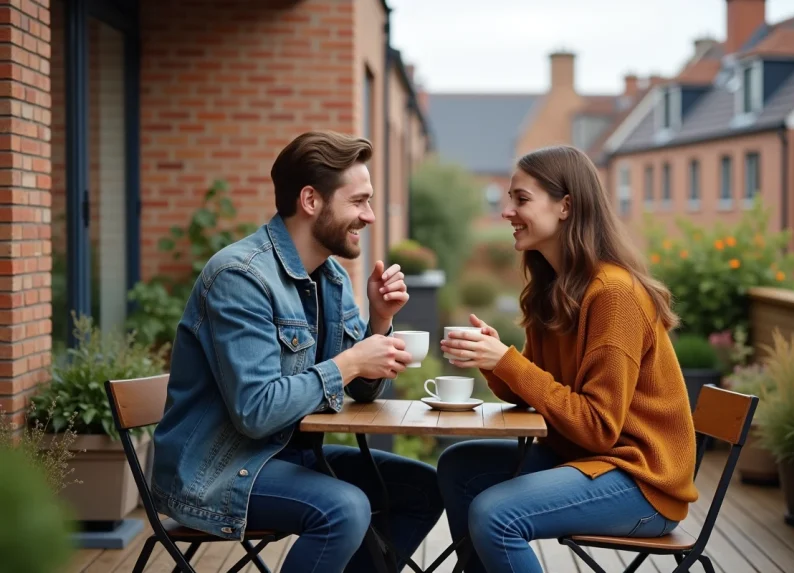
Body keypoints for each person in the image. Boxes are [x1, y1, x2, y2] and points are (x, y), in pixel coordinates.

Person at [151, 131, 444, 573]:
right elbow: (257, 411)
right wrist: (349, 361)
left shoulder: (331, 277)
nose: (370, 215)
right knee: (343, 508)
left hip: (290, 454)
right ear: (311, 201)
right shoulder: (239, 277)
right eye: (359, 201)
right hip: (220, 471)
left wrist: (379, 322)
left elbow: (363, 393)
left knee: (424, 488)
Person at [437, 145, 698, 572]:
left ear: (565, 206)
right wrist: (492, 357)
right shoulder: (555, 288)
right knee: (458, 465)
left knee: (496, 514)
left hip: (642, 481)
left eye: (521, 199)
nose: (507, 211)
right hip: (580, 457)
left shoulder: (614, 295)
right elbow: (535, 390)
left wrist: (507, 361)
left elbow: (598, 427)